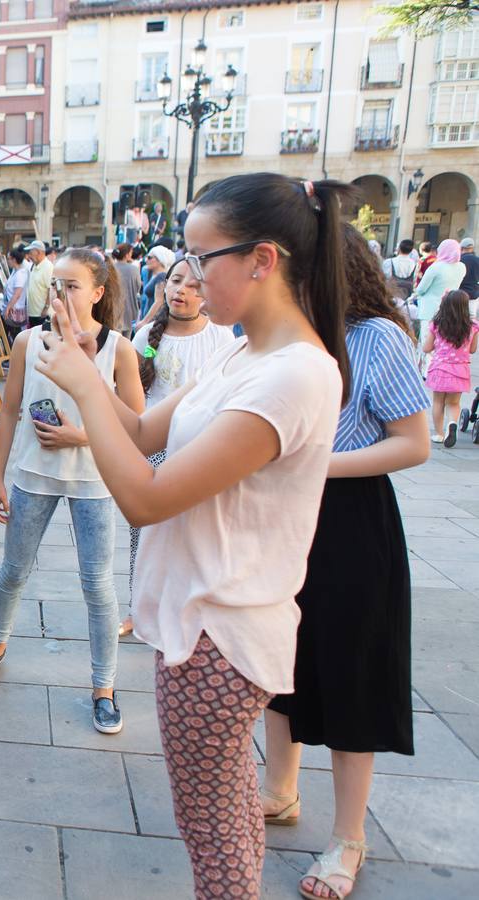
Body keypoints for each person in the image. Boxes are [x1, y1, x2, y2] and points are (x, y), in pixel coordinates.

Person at [33, 174, 348, 897]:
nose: (190, 275)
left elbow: (145, 497)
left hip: (218, 636)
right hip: (202, 621)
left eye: (204, 257)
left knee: (214, 842)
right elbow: (143, 430)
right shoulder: (248, 354)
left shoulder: (293, 375)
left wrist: (84, 385)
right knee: (227, 820)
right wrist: (95, 365)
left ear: (263, 260)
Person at [260, 226, 431, 900]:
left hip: (350, 517)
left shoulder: (375, 336)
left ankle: (349, 836)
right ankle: (279, 789)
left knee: (350, 672)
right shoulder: (293, 337)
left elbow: (413, 443)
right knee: (278, 655)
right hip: (288, 513)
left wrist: (317, 464)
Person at [0, 247, 145, 739]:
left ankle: (103, 687)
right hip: (33, 475)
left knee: (97, 585)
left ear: (97, 292)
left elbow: (137, 427)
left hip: (93, 479)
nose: (62, 294)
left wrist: (82, 435)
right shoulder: (29, 341)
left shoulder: (119, 349)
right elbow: (8, 412)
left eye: (73, 286)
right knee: (13, 570)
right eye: (56, 284)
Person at [120, 260, 236, 637]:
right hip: (153, 447)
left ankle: (189, 606)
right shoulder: (144, 339)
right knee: (145, 533)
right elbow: (133, 398)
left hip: (202, 450)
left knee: (194, 533)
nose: (180, 291)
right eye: (174, 281)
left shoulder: (222, 337)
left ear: (207, 295)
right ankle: (139, 607)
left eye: (193, 285)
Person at [423, 289, 478, 447]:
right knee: (454, 403)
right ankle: (452, 424)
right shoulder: (472, 326)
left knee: (438, 402)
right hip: (460, 370)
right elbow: (473, 349)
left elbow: (427, 348)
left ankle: (439, 434)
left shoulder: (437, 324)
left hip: (440, 368)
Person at [409, 238, 464, 327]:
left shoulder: (435, 267)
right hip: (450, 308)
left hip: (429, 310)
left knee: (426, 338)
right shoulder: (462, 267)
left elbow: (421, 290)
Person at [134, 245, 176, 328]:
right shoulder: (149, 273)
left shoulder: (162, 276)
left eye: (149, 257)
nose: (146, 260)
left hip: (153, 322)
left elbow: (159, 301)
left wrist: (144, 322)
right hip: (146, 317)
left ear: (160, 260)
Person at [112, 243, 143, 333]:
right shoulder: (134, 269)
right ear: (127, 255)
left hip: (113, 307)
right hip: (130, 308)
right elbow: (138, 287)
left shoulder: (110, 267)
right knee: (127, 339)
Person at [24, 241, 53, 329]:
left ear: (39, 252)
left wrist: (46, 308)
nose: (29, 256)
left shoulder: (48, 267)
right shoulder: (34, 266)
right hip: (33, 312)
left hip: (42, 314)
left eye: (31, 253)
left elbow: (50, 289)